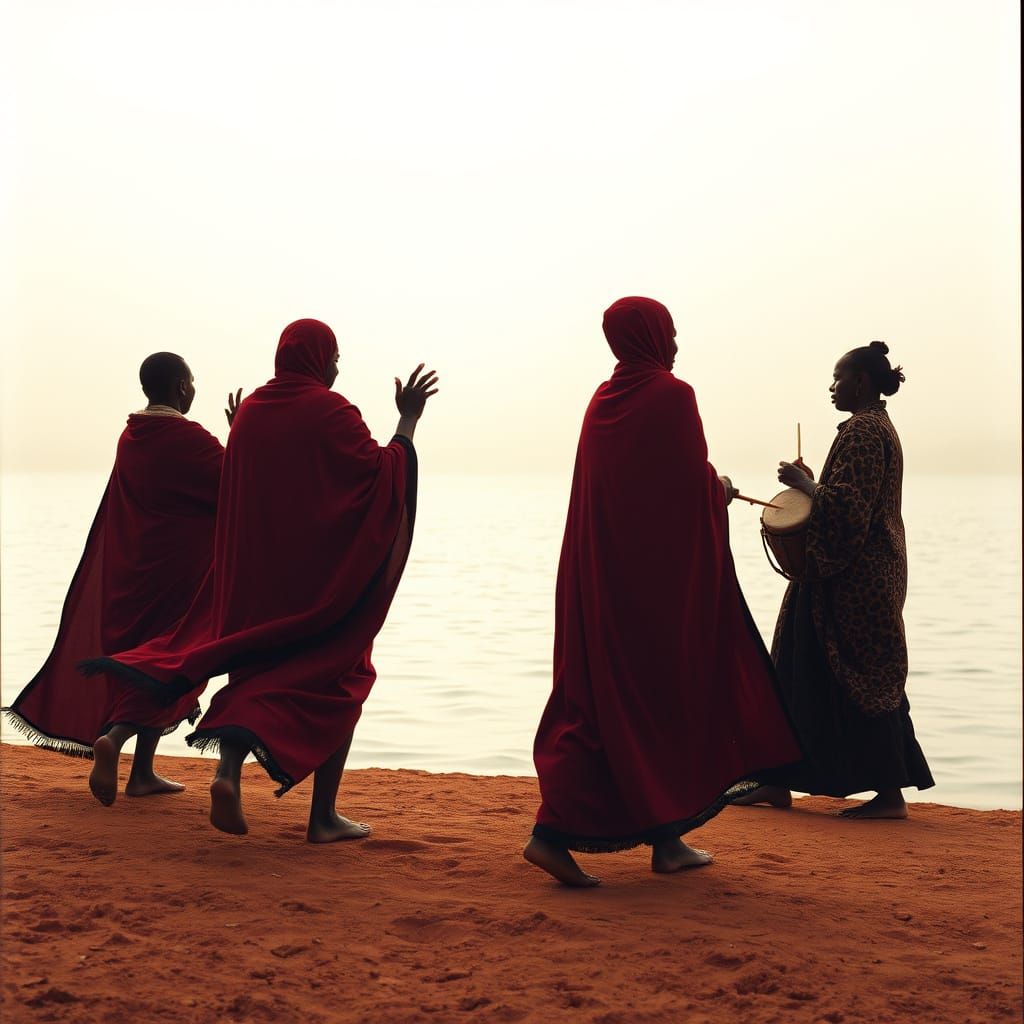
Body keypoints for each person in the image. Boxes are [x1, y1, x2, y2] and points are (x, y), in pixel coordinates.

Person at [82, 319, 438, 843]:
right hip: (316, 585)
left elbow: (241, 487)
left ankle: (227, 774)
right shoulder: (333, 411)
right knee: (344, 680)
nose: (337, 368)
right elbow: (378, 476)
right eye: (334, 357)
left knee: (250, 678)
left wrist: (237, 431)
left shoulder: (250, 414)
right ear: (318, 358)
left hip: (254, 581)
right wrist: (407, 422)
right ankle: (322, 818)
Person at [524, 297, 801, 887]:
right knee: (660, 700)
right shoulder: (673, 396)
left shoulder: (601, 402)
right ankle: (551, 835)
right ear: (649, 336)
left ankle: (666, 841)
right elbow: (683, 485)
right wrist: (717, 489)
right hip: (656, 594)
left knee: (606, 703)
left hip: (602, 585)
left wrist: (701, 487)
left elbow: (629, 490)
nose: (675, 343)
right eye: (669, 331)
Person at [3, 353, 237, 805]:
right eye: (191, 382)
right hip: (178, 578)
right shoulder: (189, 439)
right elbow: (235, 483)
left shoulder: (132, 436)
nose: (193, 389)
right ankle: (116, 736)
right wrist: (239, 434)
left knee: (139, 663)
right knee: (172, 662)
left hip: (131, 575)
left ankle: (142, 773)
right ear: (179, 388)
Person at [736, 341, 933, 818]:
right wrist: (812, 482)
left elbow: (849, 509)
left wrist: (805, 487)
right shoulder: (870, 427)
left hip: (854, 580)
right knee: (813, 669)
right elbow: (846, 496)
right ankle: (777, 779)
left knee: (860, 676)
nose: (832, 386)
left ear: (860, 382)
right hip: (850, 575)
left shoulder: (865, 432)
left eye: (838, 377)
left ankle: (884, 795)